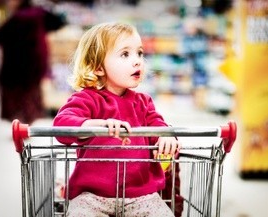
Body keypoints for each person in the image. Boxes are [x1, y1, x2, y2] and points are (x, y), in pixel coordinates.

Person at [53, 22, 181, 217]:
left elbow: (157, 124)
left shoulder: (143, 102)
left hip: (142, 195)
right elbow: (62, 125)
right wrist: (95, 125)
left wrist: (166, 136)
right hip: (92, 196)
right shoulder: (86, 99)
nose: (137, 61)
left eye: (139, 53)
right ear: (97, 68)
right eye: (125, 54)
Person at [0, 0, 65, 124]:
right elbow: (59, 22)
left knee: (20, 97)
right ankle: (25, 124)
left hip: (19, 64)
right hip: (35, 62)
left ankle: (21, 126)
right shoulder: (38, 13)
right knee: (30, 94)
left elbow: (0, 35)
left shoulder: (20, 17)